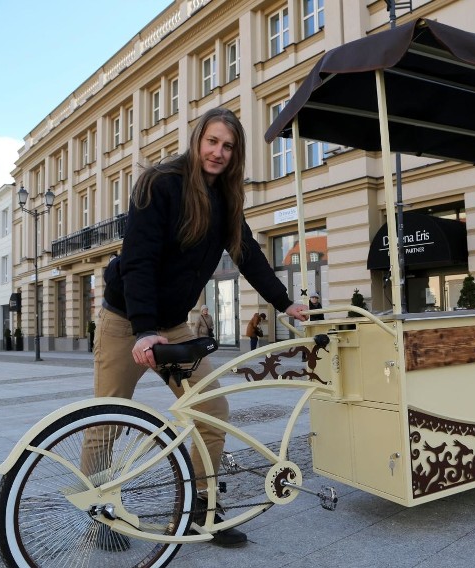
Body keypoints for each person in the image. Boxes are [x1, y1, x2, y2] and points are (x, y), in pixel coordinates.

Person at [85, 107, 308, 548]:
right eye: (212, 142)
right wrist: (145, 329)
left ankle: (201, 509)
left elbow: (249, 256)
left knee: (212, 411)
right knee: (107, 418)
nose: (218, 152)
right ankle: (100, 512)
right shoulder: (161, 184)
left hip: (173, 326)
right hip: (125, 320)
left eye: (228, 146)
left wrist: (286, 303)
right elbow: (139, 261)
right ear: (197, 140)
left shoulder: (225, 199)